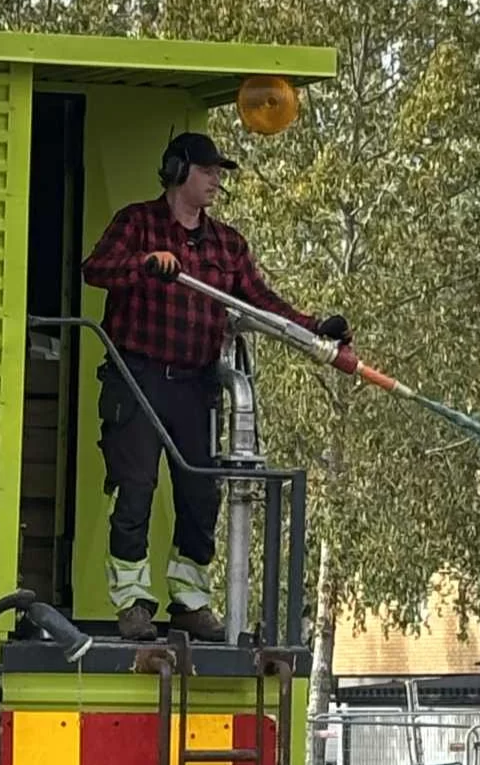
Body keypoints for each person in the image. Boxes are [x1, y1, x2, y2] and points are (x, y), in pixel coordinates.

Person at [81, 131, 349, 642]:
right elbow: (96, 269)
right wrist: (145, 265)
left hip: (196, 385)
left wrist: (314, 327)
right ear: (177, 171)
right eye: (207, 172)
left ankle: (189, 602)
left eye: (219, 174)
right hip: (136, 380)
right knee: (135, 492)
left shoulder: (228, 244)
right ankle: (132, 603)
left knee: (201, 496)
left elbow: (259, 303)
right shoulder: (137, 223)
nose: (215, 182)